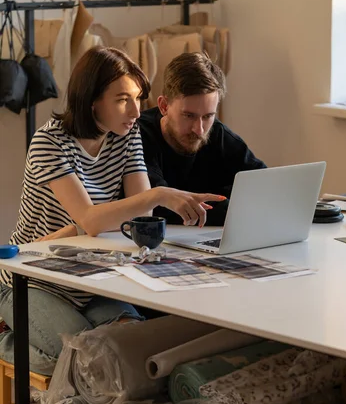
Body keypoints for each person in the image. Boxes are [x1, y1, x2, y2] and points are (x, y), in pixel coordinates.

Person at [0, 46, 224, 375]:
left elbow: (140, 218)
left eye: (137, 98)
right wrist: (159, 194)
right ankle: (6, 339)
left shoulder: (126, 136)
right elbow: (91, 219)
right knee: (86, 361)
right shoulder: (49, 143)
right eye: (123, 99)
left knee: (133, 348)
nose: (136, 110)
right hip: (32, 278)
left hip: (91, 276)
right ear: (92, 100)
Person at [138, 52, 266, 226]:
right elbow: (160, 206)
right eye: (188, 115)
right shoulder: (138, 136)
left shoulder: (218, 133)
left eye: (208, 116)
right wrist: (227, 203)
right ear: (164, 106)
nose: (199, 130)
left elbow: (263, 186)